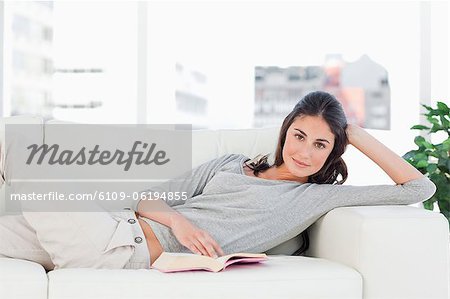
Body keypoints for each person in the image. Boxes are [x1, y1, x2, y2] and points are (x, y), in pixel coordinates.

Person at [0, 91, 436, 271]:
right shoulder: (232, 164)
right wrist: (181, 223)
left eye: (321, 145)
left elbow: (419, 190)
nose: (304, 152)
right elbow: (151, 198)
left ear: (333, 151)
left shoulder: (313, 198)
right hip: (109, 224)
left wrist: (354, 133)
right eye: (299, 136)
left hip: (119, 250)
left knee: (31, 161)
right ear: (286, 132)